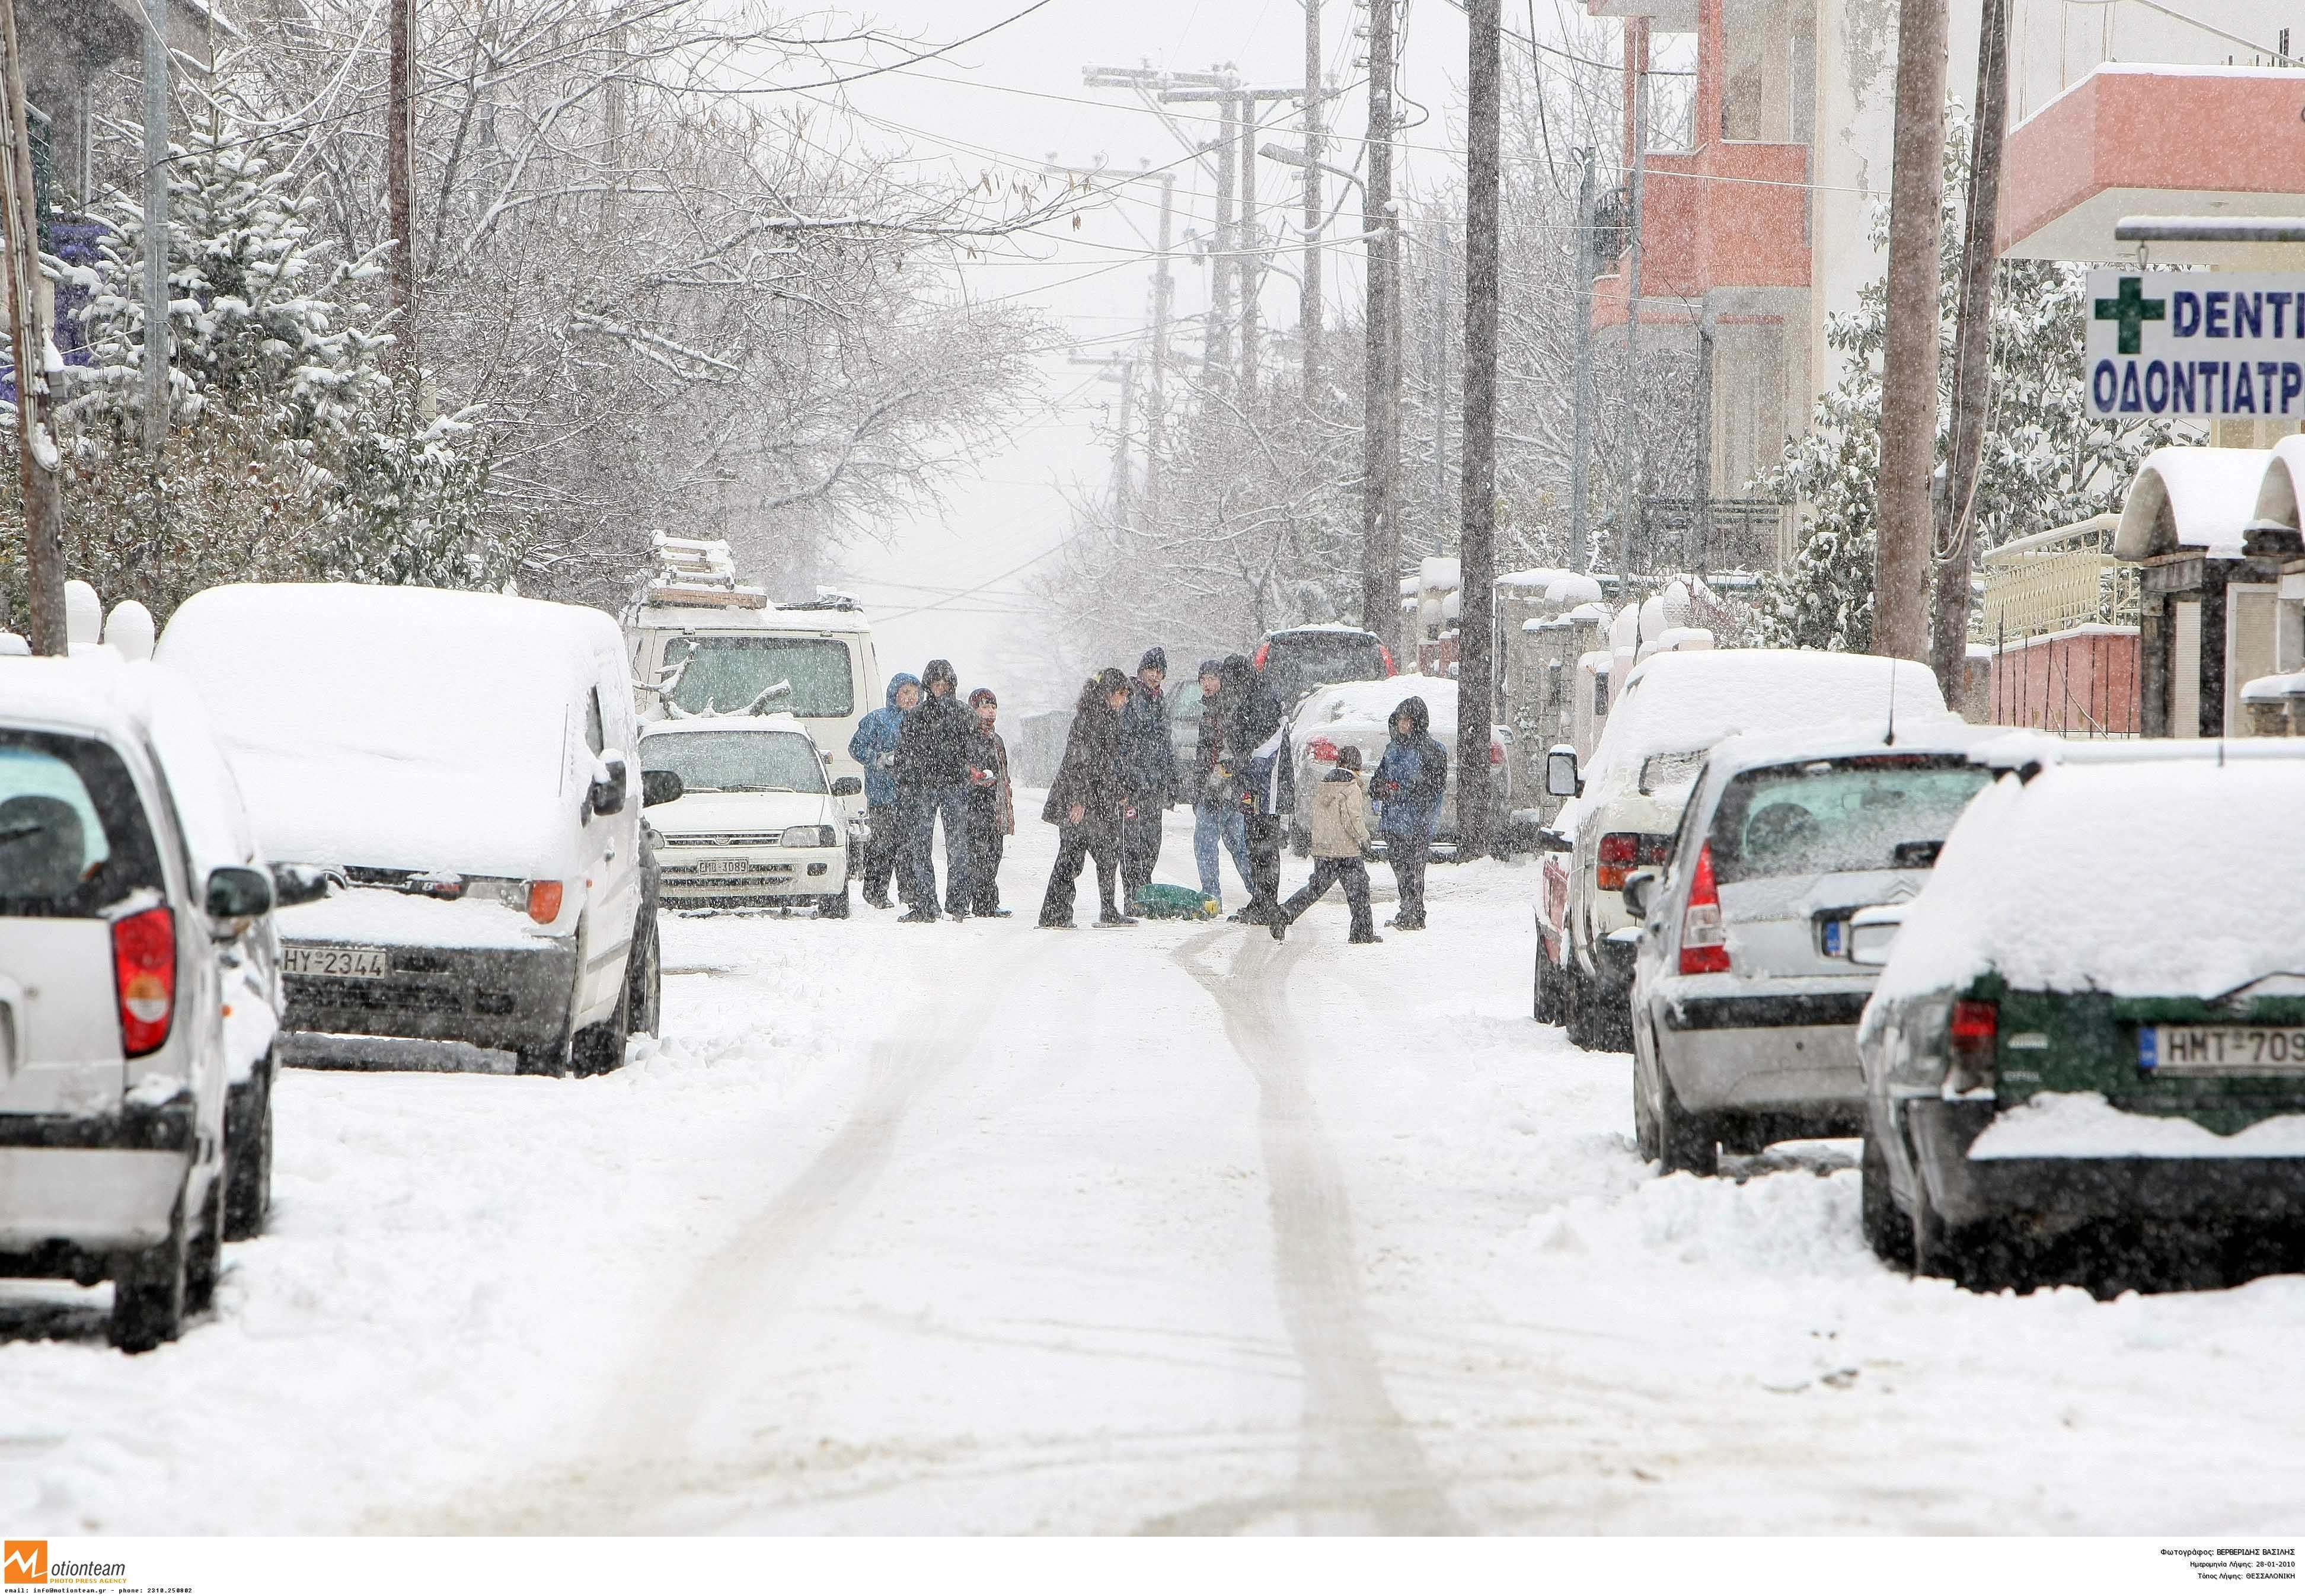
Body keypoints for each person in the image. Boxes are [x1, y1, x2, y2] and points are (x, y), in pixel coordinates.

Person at [1038, 669, 1134, 929]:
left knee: (1104, 854)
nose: (1124, 701)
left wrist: (1119, 792)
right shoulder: (1090, 719)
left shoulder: (1106, 718)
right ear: (1111, 694)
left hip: (1097, 800)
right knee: (1071, 858)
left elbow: (1105, 765)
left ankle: (1106, 910)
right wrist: (1079, 800)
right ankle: (1055, 913)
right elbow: (1078, 762)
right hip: (1080, 801)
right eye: (1123, 695)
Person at [1275, 745, 1380, 944]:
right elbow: (1352, 819)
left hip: (1324, 849)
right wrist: (1364, 839)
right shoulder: (1352, 788)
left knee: (1316, 888)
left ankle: (1284, 914)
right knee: (1359, 889)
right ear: (1358, 766)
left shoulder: (1324, 784)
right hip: (1346, 850)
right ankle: (1362, 932)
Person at [895, 659, 973, 923]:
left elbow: (973, 751)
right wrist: (906, 784)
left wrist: (969, 772)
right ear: (929, 685)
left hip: (954, 786)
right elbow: (905, 755)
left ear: (951, 685)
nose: (940, 689)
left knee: (958, 847)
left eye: (944, 684)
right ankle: (926, 904)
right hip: (923, 788)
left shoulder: (963, 714)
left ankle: (958, 905)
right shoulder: (917, 716)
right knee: (920, 847)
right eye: (936, 684)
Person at [1219, 652, 1292, 930]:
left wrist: (1238, 754)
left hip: (1268, 776)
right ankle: (1260, 898)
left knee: (1265, 840)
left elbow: (1255, 735)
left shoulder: (1261, 696)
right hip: (1252, 776)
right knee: (1254, 839)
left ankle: (1267, 901)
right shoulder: (1250, 693)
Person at [1372, 694, 1448, 931]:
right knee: (1400, 869)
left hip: (1417, 823)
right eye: (1400, 721)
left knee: (1414, 870)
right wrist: (1384, 789)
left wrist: (1404, 792)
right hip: (1393, 822)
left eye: (1407, 720)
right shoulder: (1392, 750)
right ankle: (1407, 909)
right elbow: (1376, 782)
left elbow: (1434, 787)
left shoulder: (1432, 751)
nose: (1402, 725)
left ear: (1417, 722)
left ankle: (1414, 912)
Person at [847, 673, 919, 909]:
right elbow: (856, 747)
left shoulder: (921, 721)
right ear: (894, 693)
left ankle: (910, 894)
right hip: (883, 795)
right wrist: (878, 759)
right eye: (906, 692)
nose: (911, 698)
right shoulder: (877, 719)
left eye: (915, 693)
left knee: (909, 846)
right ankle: (876, 892)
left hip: (911, 796)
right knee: (883, 845)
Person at [1189, 657, 1253, 906]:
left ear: (1223, 681)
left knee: (1206, 841)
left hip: (1221, 790)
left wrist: (1216, 784)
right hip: (1223, 790)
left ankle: (1212, 896)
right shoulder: (1211, 710)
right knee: (1237, 842)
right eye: (1203, 679)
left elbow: (1227, 753)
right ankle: (1260, 891)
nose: (1207, 684)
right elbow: (1203, 754)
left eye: (1213, 678)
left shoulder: (1225, 710)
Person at [1117, 646, 1176, 902]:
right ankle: (1133, 893)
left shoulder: (1161, 702)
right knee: (1132, 841)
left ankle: (1145, 886)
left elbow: (1166, 743)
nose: (1154, 676)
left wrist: (1171, 778)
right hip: (1133, 786)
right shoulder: (1131, 699)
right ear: (1141, 672)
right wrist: (1128, 778)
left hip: (1155, 785)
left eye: (1159, 672)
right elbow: (1123, 742)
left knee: (1153, 840)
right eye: (1150, 670)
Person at [962, 688, 1015, 917]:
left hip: (995, 807)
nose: (990, 712)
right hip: (972, 806)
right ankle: (973, 902)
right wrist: (974, 775)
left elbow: (1003, 775)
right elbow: (960, 768)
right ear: (974, 709)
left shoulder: (997, 740)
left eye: (993, 707)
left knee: (994, 855)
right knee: (976, 857)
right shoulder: (966, 735)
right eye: (985, 707)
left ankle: (987, 902)